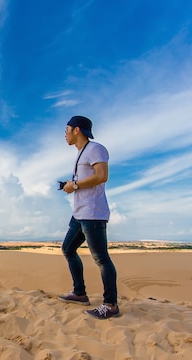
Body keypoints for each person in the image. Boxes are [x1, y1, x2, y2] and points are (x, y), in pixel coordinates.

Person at [57, 115, 120, 319]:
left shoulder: (95, 148)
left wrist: (74, 185)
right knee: (68, 249)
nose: (64, 134)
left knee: (101, 258)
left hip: (93, 213)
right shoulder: (81, 153)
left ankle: (110, 305)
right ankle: (79, 293)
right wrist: (71, 184)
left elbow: (102, 176)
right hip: (80, 212)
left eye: (66, 129)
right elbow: (87, 179)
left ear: (77, 130)